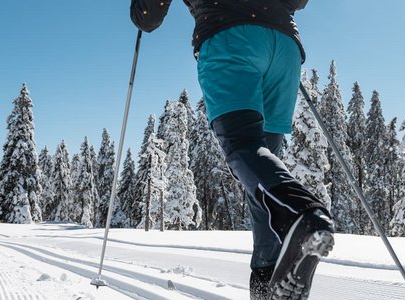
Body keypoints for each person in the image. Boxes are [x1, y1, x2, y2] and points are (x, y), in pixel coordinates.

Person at [130, 1, 334, 299]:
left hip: (230, 37)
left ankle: (300, 213)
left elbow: (148, 17)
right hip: (284, 48)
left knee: (243, 147)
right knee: (260, 171)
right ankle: (267, 279)